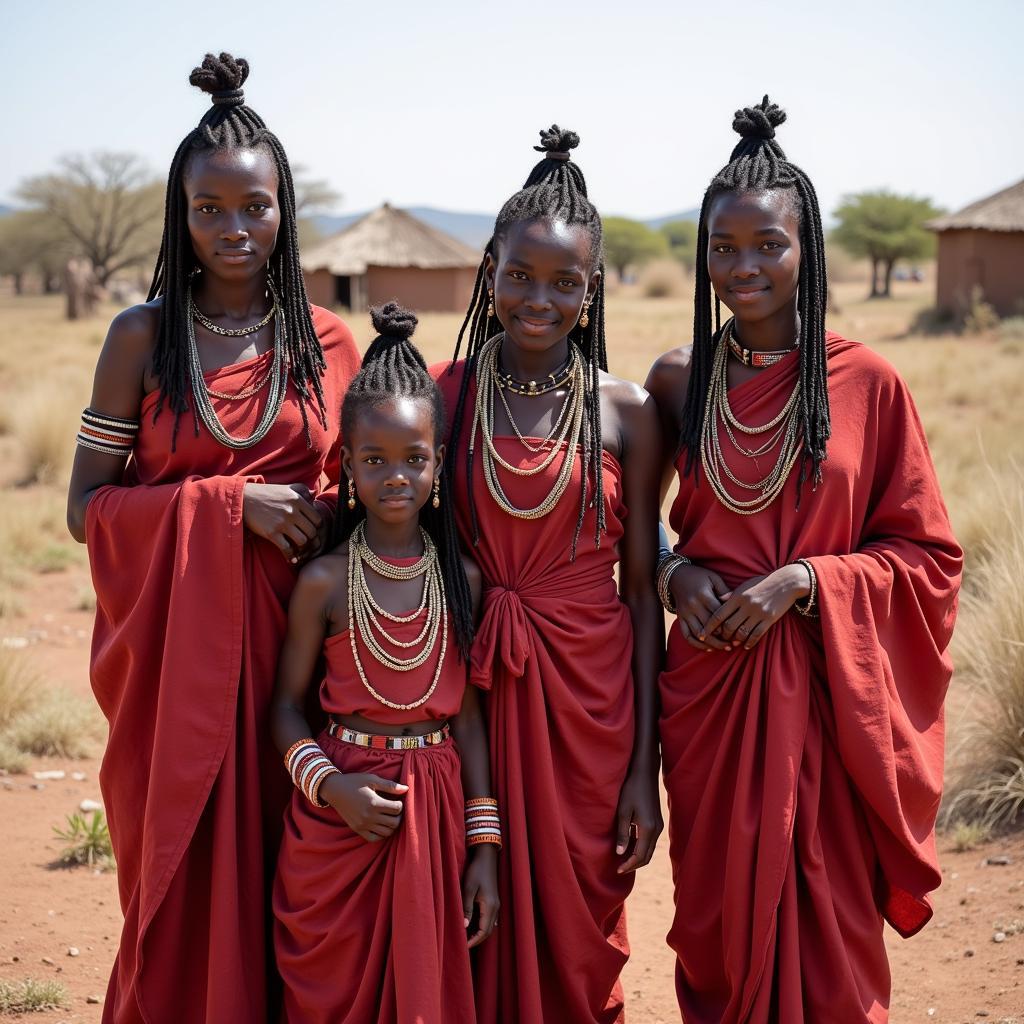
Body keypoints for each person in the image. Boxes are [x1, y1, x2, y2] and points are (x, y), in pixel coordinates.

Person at [645, 96, 962, 1023]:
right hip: (712, 689)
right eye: (723, 249)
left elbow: (928, 555)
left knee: (826, 920)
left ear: (807, 248)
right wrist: (677, 575)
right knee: (718, 923)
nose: (743, 268)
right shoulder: (680, 378)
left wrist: (807, 581)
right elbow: (628, 534)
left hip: (829, 695)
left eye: (767, 246)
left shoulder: (868, 381)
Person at [66, 52, 360, 1024]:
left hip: (296, 657)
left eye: (256, 207)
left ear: (284, 210)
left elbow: (367, 496)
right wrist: (232, 506)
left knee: (300, 868)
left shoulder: (329, 341)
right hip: (173, 664)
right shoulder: (141, 339)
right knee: (182, 867)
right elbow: (85, 509)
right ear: (178, 215)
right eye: (209, 210)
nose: (234, 229)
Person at [434, 126, 663, 1024]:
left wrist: (643, 766)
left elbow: (643, 591)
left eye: (564, 281)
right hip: (470, 694)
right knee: (467, 914)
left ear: (592, 286)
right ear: (489, 271)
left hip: (590, 704)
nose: (540, 299)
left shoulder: (629, 411)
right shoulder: (439, 397)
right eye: (520, 276)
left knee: (579, 938)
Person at [271, 303, 498, 1024]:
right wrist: (332, 788)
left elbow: (467, 717)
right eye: (373, 461)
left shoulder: (462, 579)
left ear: (438, 462)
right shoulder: (323, 581)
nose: (395, 477)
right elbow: (283, 708)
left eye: (414, 459)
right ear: (347, 467)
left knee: (420, 995)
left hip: (431, 805)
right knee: (331, 995)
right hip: (340, 808)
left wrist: (483, 847)